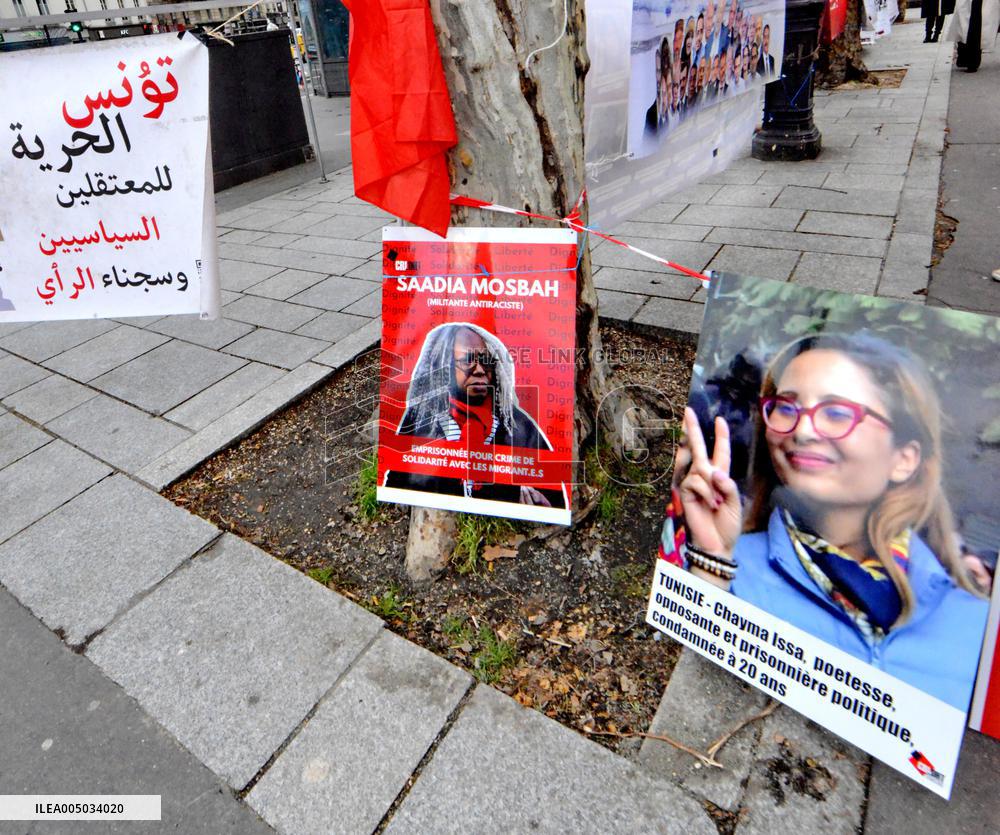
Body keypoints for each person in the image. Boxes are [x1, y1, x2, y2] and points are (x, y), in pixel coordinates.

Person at [670, 332, 989, 709]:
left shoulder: (975, 628)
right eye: (786, 408)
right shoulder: (731, 568)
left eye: (837, 413)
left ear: (903, 458)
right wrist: (711, 567)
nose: (802, 431)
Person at [385, 322, 565, 508]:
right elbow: (395, 489)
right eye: (467, 360)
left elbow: (554, 493)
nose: (479, 370)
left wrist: (534, 500)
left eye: (486, 361)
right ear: (445, 365)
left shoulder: (517, 424)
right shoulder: (421, 418)